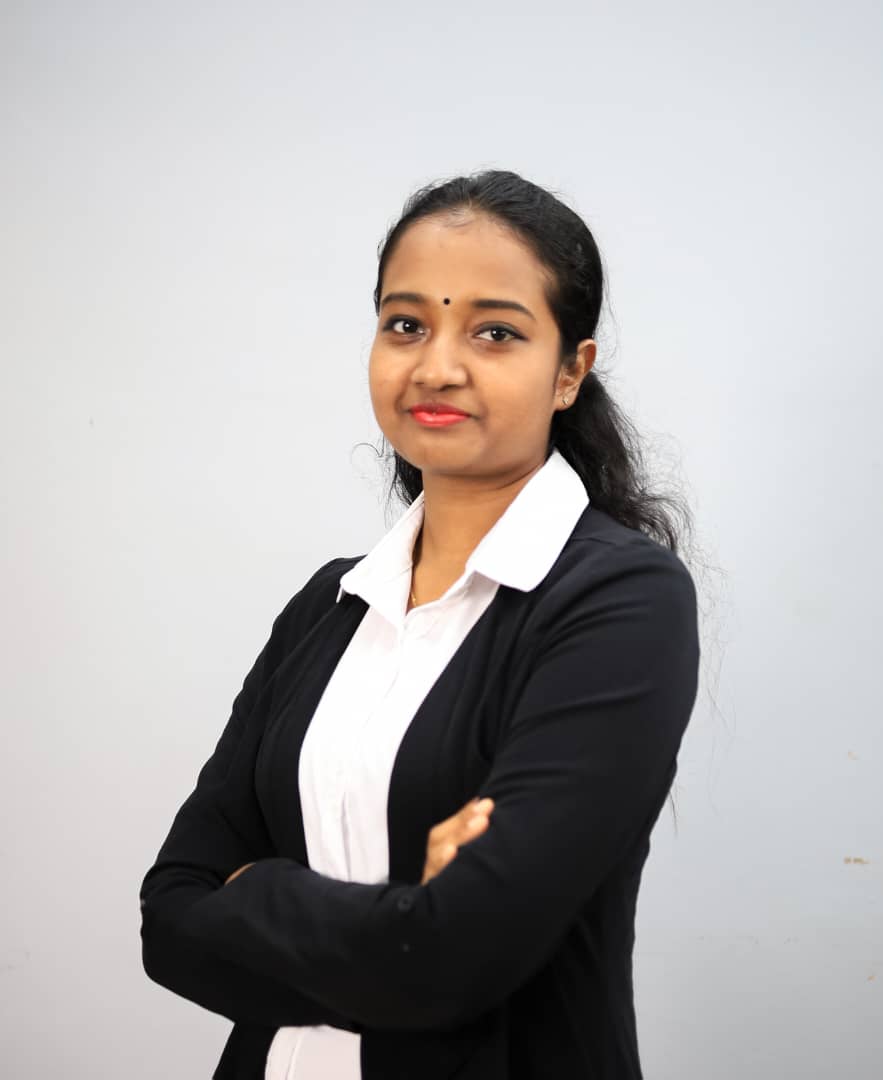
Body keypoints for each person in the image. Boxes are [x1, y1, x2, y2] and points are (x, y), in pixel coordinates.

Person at [139, 169, 701, 1079]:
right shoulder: (329, 604)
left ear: (569, 372)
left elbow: (455, 957)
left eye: (495, 332)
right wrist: (404, 923)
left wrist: (254, 892)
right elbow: (168, 917)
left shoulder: (621, 601)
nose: (436, 366)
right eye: (405, 325)